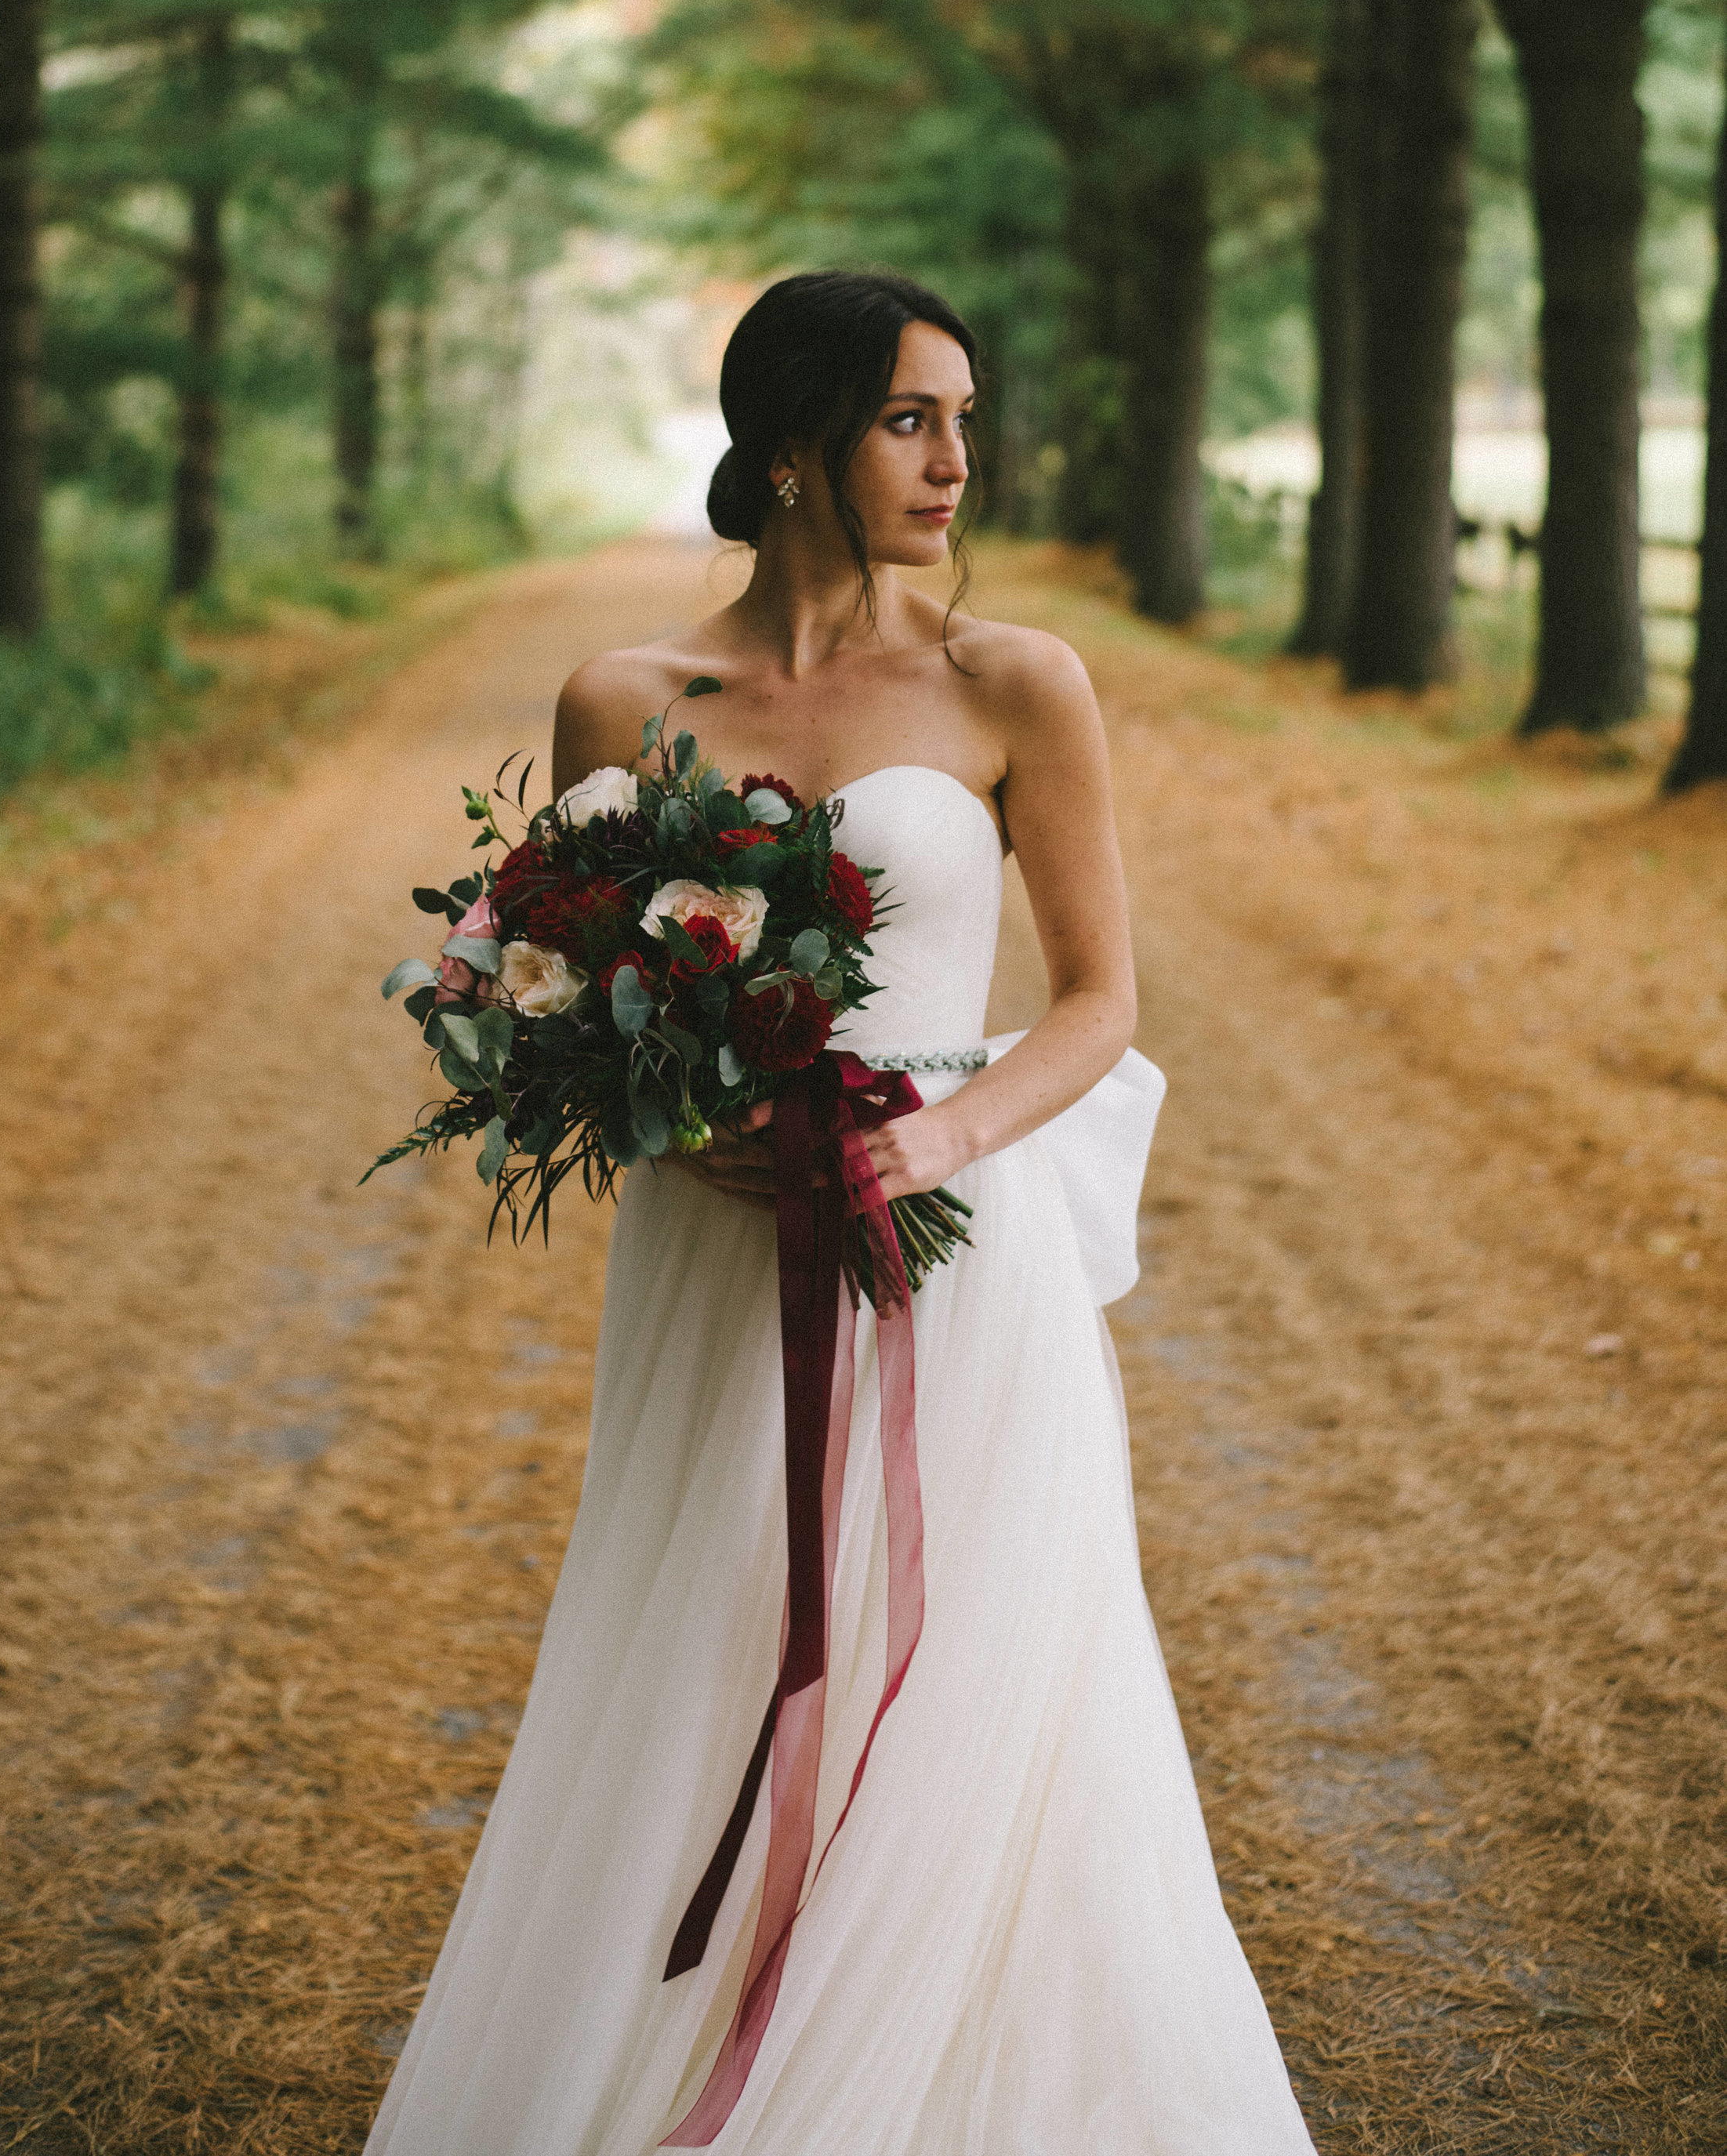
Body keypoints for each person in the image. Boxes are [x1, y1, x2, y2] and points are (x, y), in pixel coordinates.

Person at [365, 269, 1316, 2153]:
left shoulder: (1012, 682)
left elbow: (1099, 1002)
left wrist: (937, 1150)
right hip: (719, 1261)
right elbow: (565, 995)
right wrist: (664, 1116)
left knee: (976, 1683)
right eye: (909, 419)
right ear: (792, 444)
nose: (957, 459)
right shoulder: (630, 699)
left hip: (955, 1260)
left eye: (962, 418)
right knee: (710, 1629)